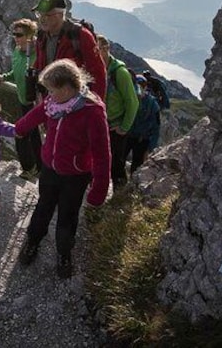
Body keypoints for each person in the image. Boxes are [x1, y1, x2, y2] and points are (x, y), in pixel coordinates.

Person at [14, 59, 110, 279]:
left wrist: (98, 190)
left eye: (52, 90)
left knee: (67, 215)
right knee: (43, 208)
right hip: (50, 168)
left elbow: (102, 154)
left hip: (75, 176)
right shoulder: (56, 101)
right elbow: (39, 113)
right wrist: (20, 128)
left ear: (67, 88)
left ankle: (64, 253)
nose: (49, 95)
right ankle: (33, 241)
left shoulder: (92, 112)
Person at [31, 0, 107, 100]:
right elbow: (39, 64)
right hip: (49, 101)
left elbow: (98, 73)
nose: (42, 19)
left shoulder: (80, 35)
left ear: (60, 14)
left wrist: (95, 104)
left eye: (47, 15)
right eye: (39, 14)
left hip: (74, 103)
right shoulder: (42, 36)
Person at [0, 18, 42, 179]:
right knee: (31, 136)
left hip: (36, 102)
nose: (15, 37)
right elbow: (16, 72)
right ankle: (36, 168)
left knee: (23, 133)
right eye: (14, 34)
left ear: (30, 36)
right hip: (24, 100)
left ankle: (32, 168)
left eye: (19, 34)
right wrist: (4, 77)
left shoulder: (39, 54)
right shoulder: (17, 51)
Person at [96, 35, 139, 190]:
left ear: (106, 48)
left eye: (97, 49)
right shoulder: (95, 69)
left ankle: (119, 194)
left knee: (116, 163)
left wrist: (124, 127)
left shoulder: (120, 73)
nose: (94, 53)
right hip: (101, 125)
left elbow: (132, 102)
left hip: (116, 126)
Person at [127, 75, 162, 174]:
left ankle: (129, 187)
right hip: (127, 134)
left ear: (146, 87)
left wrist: (150, 149)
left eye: (141, 85)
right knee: (118, 160)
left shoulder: (152, 104)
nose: (139, 87)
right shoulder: (129, 98)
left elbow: (156, 128)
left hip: (142, 139)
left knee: (136, 166)